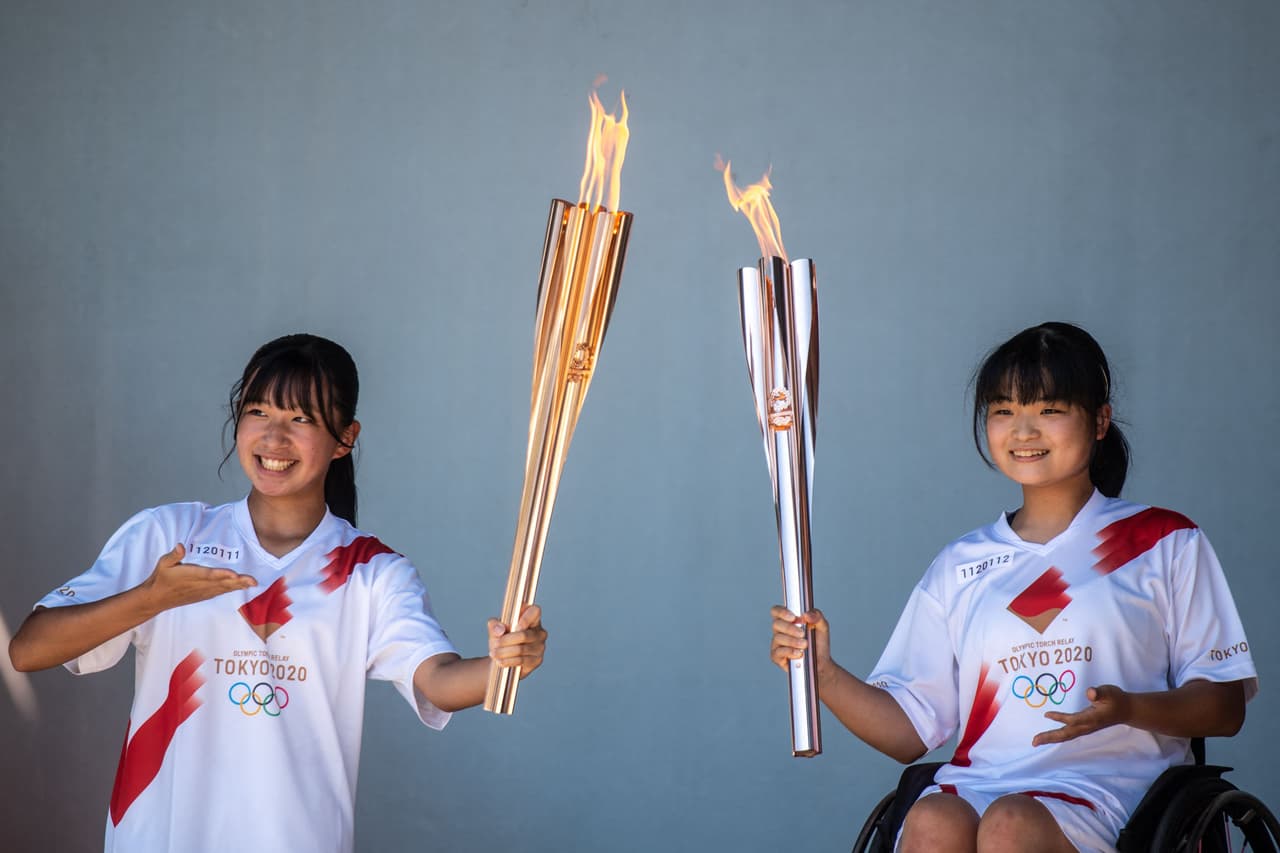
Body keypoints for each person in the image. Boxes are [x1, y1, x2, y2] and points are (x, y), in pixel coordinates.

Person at [8, 333, 548, 853]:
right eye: (258, 412)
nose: (273, 438)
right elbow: (29, 649)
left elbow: (438, 679)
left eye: (301, 419)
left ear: (345, 438)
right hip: (160, 837)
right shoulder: (171, 536)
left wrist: (503, 663)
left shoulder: (369, 570)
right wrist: (150, 598)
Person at [770, 322, 1256, 853]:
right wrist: (824, 674)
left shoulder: (1162, 542)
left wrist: (1126, 709)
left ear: (1099, 421)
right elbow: (907, 733)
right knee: (932, 818)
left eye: (1049, 410)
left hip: (1116, 795)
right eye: (1004, 411)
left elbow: (1223, 706)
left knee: (1011, 826)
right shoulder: (960, 565)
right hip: (980, 784)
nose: (1023, 431)